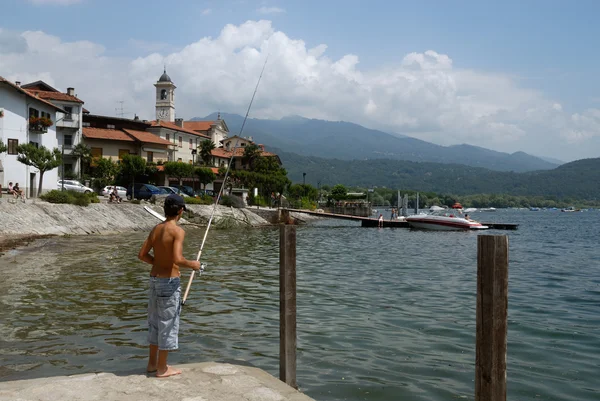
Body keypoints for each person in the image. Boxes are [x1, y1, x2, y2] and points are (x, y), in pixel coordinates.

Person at [138, 194, 201, 378]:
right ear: (180, 211)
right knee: (167, 323)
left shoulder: (156, 229)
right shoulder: (178, 231)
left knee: (155, 322)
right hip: (169, 283)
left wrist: (158, 263)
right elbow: (177, 259)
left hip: (154, 279)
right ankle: (162, 368)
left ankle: (152, 364)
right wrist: (194, 265)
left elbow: (142, 255)